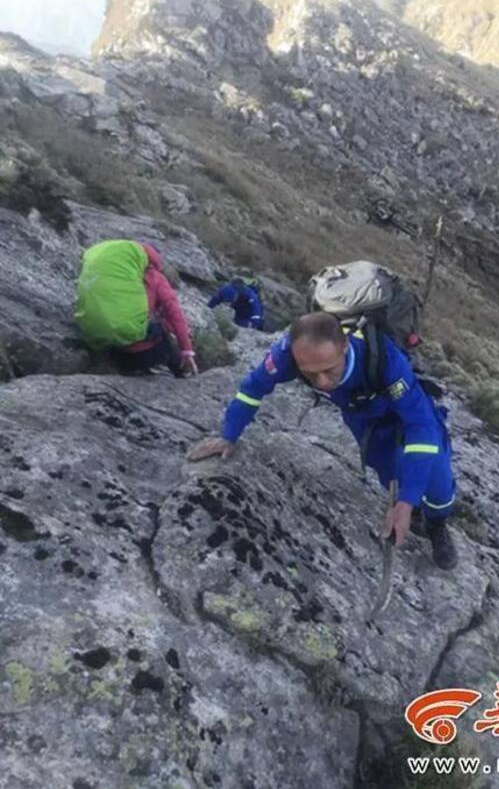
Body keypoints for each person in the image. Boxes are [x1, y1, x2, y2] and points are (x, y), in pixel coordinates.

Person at [187, 312, 457, 569]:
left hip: (408, 411)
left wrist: (406, 500)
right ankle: (417, 512)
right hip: (366, 422)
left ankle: (437, 524)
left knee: (438, 478)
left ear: (344, 347)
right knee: (390, 472)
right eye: (310, 374)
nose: (322, 382)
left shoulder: (384, 358)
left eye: (329, 370)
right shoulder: (288, 355)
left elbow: (420, 427)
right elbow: (252, 389)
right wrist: (228, 435)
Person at [75, 239, 198, 377]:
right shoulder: (155, 277)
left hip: (112, 352)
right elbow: (175, 314)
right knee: (164, 332)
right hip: (143, 356)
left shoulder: (120, 276)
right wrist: (187, 351)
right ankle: (182, 372)